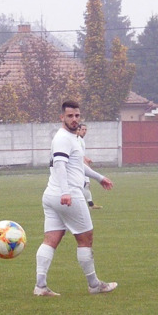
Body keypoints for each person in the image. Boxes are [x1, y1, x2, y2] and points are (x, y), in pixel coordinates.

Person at [34, 100, 116, 297]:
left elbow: (78, 165)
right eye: (70, 116)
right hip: (67, 195)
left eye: (77, 116)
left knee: (51, 239)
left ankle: (40, 286)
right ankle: (94, 284)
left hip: (51, 195)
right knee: (85, 238)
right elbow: (61, 165)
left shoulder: (73, 138)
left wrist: (99, 177)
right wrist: (65, 192)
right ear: (62, 117)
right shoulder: (63, 138)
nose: (74, 119)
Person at [77, 123, 102, 210]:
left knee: (85, 185)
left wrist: (86, 158)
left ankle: (90, 204)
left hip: (81, 165)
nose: (84, 131)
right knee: (83, 184)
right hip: (80, 166)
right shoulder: (78, 140)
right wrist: (87, 166)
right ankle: (81, 204)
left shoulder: (81, 140)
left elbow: (81, 154)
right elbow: (79, 155)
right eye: (82, 129)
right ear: (78, 130)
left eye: (85, 130)